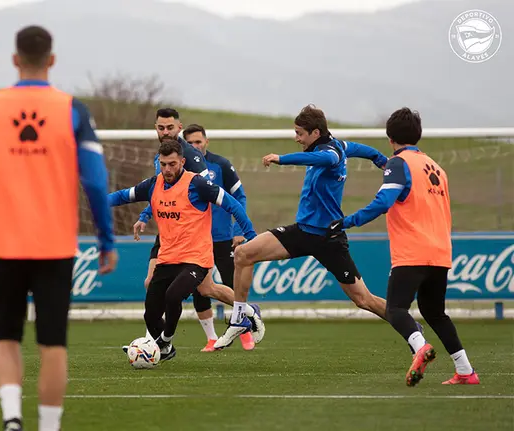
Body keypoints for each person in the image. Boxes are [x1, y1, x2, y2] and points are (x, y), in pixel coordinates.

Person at [0, 25, 118, 431]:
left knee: (7, 338)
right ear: (52, 60)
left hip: (6, 243)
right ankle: (48, 426)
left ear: (15, 59)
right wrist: (105, 239)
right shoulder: (73, 110)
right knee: (53, 344)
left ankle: (12, 418)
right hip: (55, 245)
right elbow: (97, 183)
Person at [215, 104, 392, 350]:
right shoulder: (341, 146)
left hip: (329, 238)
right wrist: (381, 160)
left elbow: (318, 158)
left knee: (364, 299)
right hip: (302, 232)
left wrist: (280, 159)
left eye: (300, 133)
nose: (296, 138)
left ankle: (411, 329)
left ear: (316, 133)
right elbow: (364, 149)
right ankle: (239, 318)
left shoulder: (332, 154)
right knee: (244, 254)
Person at [328, 107, 479, 386]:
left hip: (413, 252)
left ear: (390, 138)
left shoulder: (398, 164)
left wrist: (348, 220)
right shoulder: (437, 167)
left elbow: (384, 202)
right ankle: (466, 371)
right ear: (417, 135)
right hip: (440, 251)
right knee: (435, 312)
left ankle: (421, 347)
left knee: (396, 309)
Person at [109, 138, 257, 361]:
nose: (167, 169)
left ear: (182, 162)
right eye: (163, 164)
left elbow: (232, 204)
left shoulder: (197, 184)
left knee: (174, 294)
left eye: (172, 164)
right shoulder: (153, 184)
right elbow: (123, 196)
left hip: (196, 258)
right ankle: (166, 349)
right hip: (168, 257)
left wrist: (251, 236)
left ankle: (165, 342)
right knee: (150, 313)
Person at [183, 123, 257, 351]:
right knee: (199, 287)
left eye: (198, 141)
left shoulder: (221, 165)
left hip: (222, 237)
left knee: (229, 283)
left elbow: (240, 197)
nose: (195, 146)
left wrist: (238, 231)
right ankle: (212, 338)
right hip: (195, 238)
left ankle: (244, 328)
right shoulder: (181, 167)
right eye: (190, 143)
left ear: (206, 141)